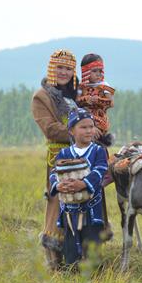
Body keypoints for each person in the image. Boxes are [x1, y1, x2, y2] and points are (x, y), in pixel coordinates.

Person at [31, 49, 79, 270]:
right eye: (59, 67)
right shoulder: (42, 96)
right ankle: (54, 261)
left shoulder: (77, 96)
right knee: (57, 205)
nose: (63, 72)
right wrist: (80, 132)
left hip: (84, 157)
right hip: (59, 160)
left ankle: (81, 257)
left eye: (68, 68)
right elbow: (50, 129)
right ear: (52, 68)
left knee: (84, 203)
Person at [49, 108, 109, 268]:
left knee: (92, 247)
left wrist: (82, 184)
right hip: (69, 212)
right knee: (70, 249)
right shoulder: (63, 153)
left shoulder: (98, 151)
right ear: (71, 131)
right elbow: (54, 173)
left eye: (91, 126)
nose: (89, 130)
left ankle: (95, 280)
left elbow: (100, 170)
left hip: (91, 211)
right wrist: (59, 185)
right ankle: (71, 274)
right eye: (83, 127)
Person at [76, 53, 115, 147]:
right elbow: (76, 103)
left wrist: (98, 100)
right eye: (94, 71)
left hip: (100, 120)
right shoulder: (81, 87)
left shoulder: (104, 85)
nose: (98, 74)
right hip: (84, 120)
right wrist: (86, 99)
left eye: (100, 71)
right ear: (85, 71)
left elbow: (111, 103)